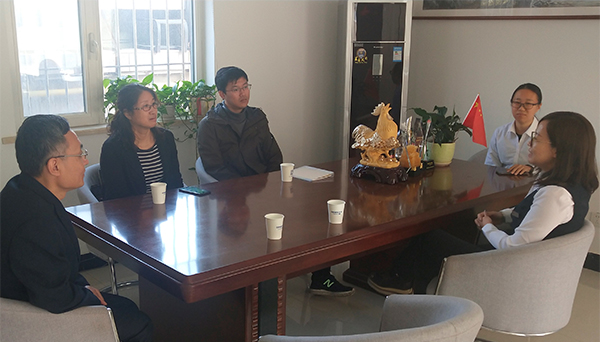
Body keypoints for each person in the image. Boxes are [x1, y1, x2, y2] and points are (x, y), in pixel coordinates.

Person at [1, 115, 153, 342]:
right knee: (139, 326)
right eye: (80, 153)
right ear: (54, 166)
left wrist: (82, 286)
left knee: (127, 309)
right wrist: (85, 294)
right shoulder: (34, 221)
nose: (86, 160)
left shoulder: (22, 188)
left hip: (36, 297)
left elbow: (51, 269)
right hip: (34, 320)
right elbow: (54, 297)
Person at [369, 111, 598, 295]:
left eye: (537, 138)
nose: (530, 143)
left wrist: (488, 226)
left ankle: (402, 282)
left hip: (507, 271)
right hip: (526, 267)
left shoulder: (555, 195)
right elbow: (536, 217)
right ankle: (413, 287)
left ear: (558, 150)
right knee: (446, 233)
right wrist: (503, 215)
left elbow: (512, 247)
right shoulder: (569, 185)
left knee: (429, 237)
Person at [198, 66, 354, 296]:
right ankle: (261, 285)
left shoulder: (257, 117)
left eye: (245, 86)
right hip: (233, 197)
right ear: (222, 94)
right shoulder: (210, 125)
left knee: (311, 217)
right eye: (236, 89)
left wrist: (271, 183)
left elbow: (273, 154)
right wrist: (245, 187)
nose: (243, 93)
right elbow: (214, 166)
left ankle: (321, 277)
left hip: (265, 188)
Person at [100, 83, 183, 200]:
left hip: (167, 206)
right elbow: (117, 195)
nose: (153, 111)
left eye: (154, 104)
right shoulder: (113, 148)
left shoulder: (166, 138)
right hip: (131, 209)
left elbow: (175, 182)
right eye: (146, 106)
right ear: (128, 113)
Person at [485, 83, 543, 175]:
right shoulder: (500, 133)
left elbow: (552, 167)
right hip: (502, 180)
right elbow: (491, 166)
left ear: (538, 106)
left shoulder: (545, 135)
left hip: (534, 181)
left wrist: (531, 169)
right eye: (517, 103)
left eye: (528, 104)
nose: (521, 108)